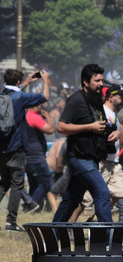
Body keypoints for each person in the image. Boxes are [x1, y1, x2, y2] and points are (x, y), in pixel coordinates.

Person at [0, 69, 49, 232]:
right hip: (16, 147)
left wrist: (27, 82)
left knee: (5, 181)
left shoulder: (0, 95)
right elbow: (44, 98)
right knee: (17, 184)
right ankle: (11, 221)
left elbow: (13, 94)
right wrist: (45, 81)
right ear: (19, 82)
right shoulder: (21, 97)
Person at [52, 64, 113, 223]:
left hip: (92, 157)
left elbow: (99, 125)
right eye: (97, 80)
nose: (101, 83)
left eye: (102, 80)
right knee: (102, 193)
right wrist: (89, 127)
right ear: (86, 82)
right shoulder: (76, 99)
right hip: (79, 158)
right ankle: (109, 241)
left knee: (72, 198)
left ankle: (52, 235)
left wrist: (112, 131)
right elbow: (61, 127)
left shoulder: (97, 100)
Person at [70, 84, 123, 221]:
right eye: (121, 96)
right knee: (86, 199)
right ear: (111, 97)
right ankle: (70, 223)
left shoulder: (115, 114)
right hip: (100, 161)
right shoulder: (101, 111)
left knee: (119, 192)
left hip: (114, 161)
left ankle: (94, 220)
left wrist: (118, 132)